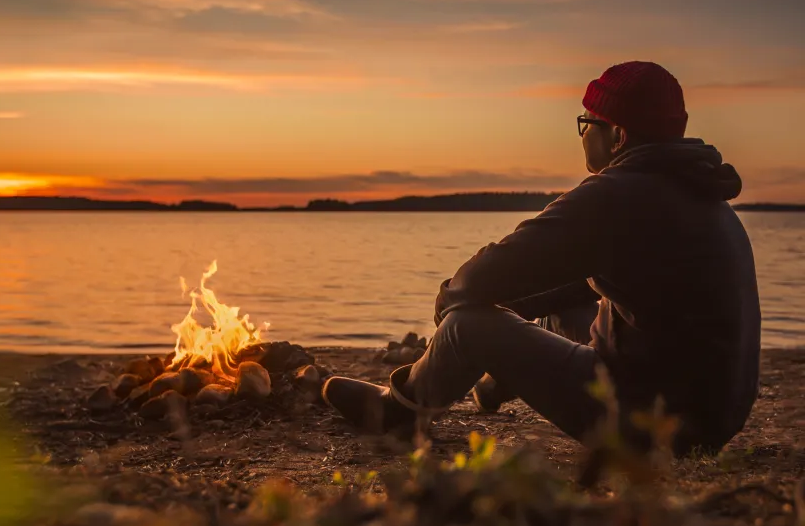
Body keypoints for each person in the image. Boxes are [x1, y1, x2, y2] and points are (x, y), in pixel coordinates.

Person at [323, 61, 761, 456]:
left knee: (466, 326)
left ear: (618, 136)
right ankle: (498, 383)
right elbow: (579, 279)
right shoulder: (700, 197)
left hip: (652, 425)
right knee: (568, 301)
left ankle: (399, 410)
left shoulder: (618, 195)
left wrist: (450, 298)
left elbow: (482, 279)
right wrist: (513, 308)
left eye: (587, 122)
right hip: (709, 417)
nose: (583, 133)